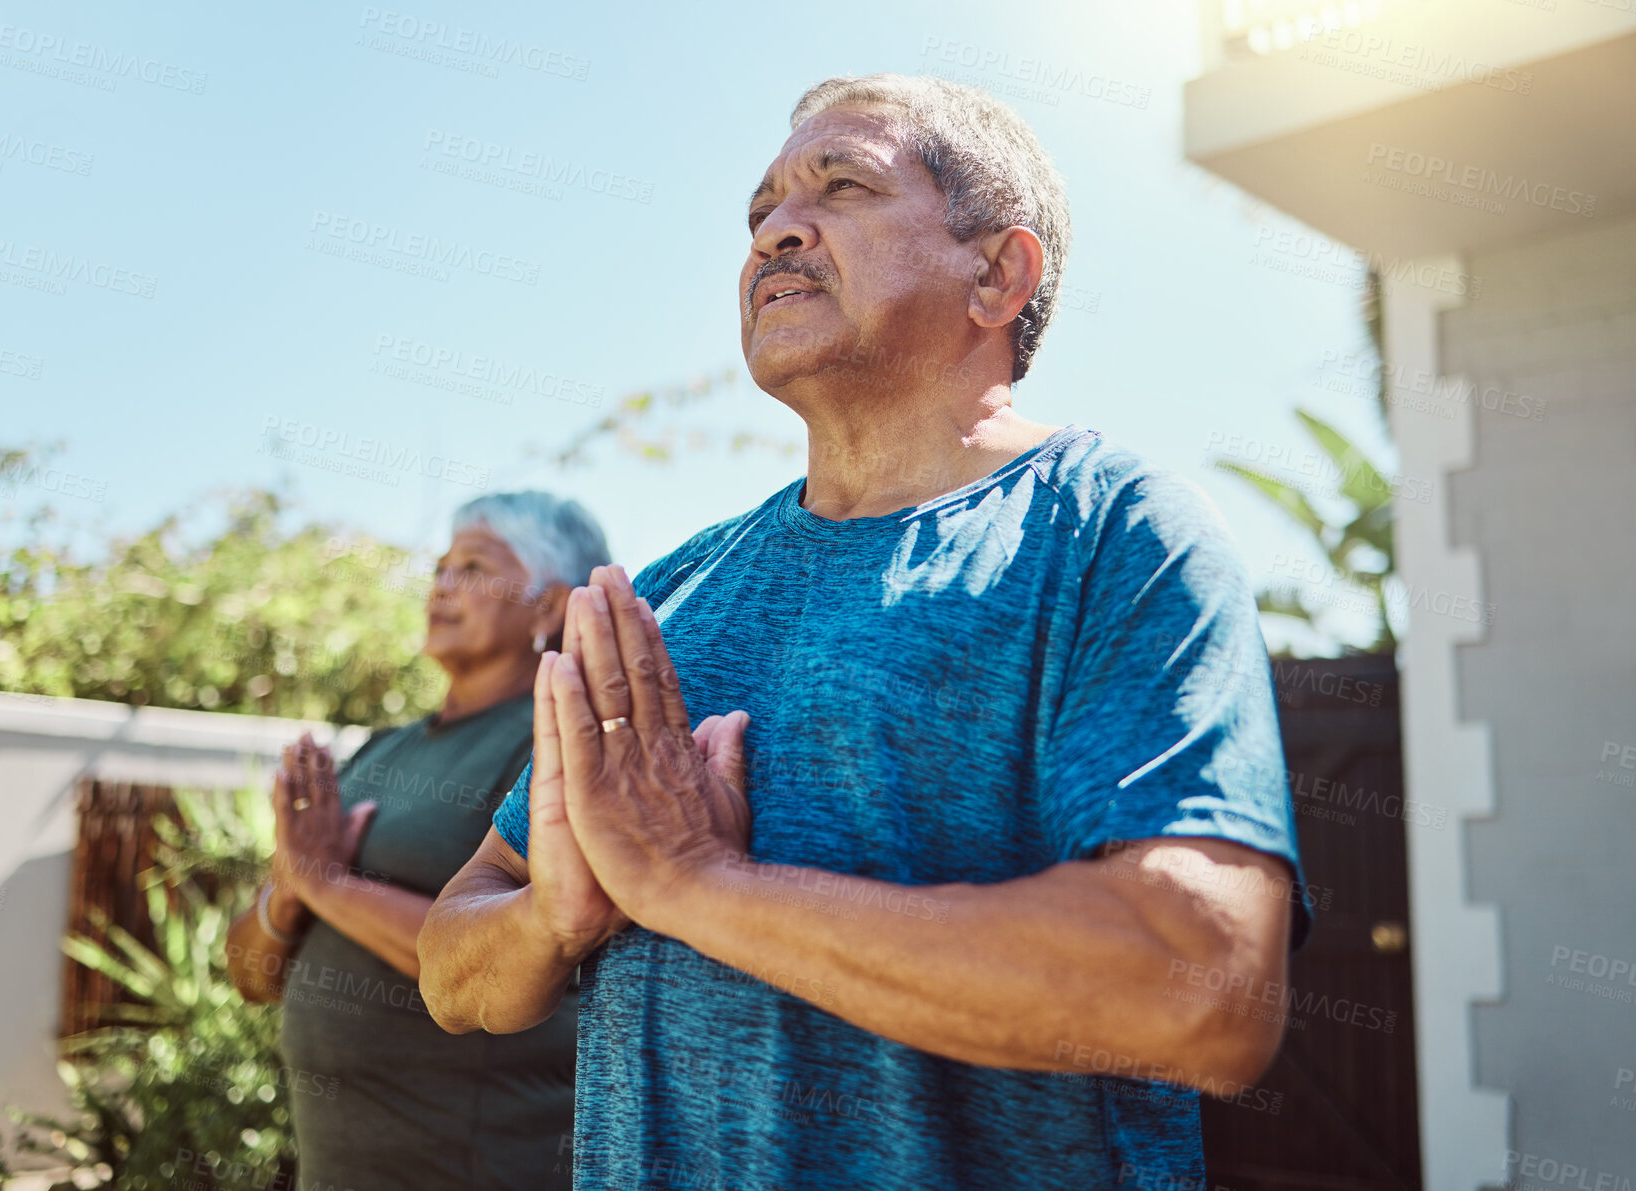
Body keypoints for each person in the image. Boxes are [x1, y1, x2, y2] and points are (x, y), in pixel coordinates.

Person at [417, 75, 1314, 1189]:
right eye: (760, 212)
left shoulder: (1112, 535)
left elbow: (1202, 987)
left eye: (842, 186)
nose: (776, 231)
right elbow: (454, 970)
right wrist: (561, 909)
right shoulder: (670, 594)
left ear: (998, 273)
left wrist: (694, 885)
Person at [225, 491, 609, 1191]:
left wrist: (327, 884)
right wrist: (291, 894)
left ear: (550, 606)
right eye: (439, 566)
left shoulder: (554, 739)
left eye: (473, 565)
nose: (442, 583)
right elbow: (251, 976)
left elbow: (521, 947)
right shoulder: (378, 752)